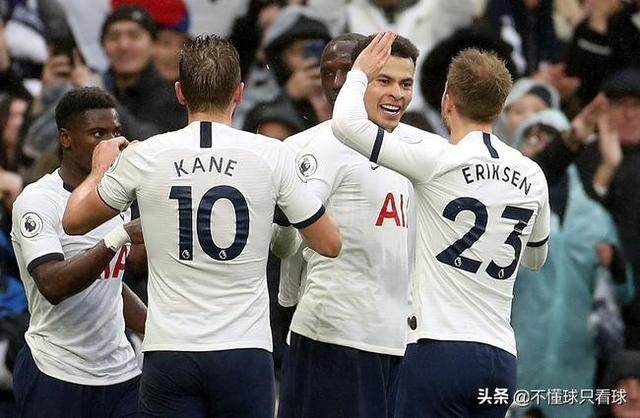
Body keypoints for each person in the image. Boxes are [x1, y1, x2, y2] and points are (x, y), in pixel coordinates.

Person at [62, 35, 341, 417]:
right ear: (239, 92)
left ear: (180, 92)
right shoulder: (272, 154)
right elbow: (329, 244)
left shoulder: (146, 154)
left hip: (170, 351)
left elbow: (74, 221)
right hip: (244, 351)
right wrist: (284, 226)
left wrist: (98, 170)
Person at [332, 33, 550, 418]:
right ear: (500, 107)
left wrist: (360, 72)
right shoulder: (532, 175)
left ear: (447, 100)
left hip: (438, 350)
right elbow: (535, 260)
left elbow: (346, 124)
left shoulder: (437, 161)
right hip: (500, 358)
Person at [277, 33, 444, 418]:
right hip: (335, 335)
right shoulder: (322, 145)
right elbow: (291, 240)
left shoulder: (418, 148)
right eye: (384, 80)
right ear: (361, 80)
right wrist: (287, 301)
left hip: (395, 339)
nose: (397, 94)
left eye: (406, 84)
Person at [10, 87, 146, 418]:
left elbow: (110, 284)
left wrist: (158, 329)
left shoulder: (117, 199)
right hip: (57, 371)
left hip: (121, 372)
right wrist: (119, 237)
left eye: (115, 132)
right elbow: (53, 285)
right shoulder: (38, 200)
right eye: (98, 134)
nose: (111, 143)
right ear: (66, 138)